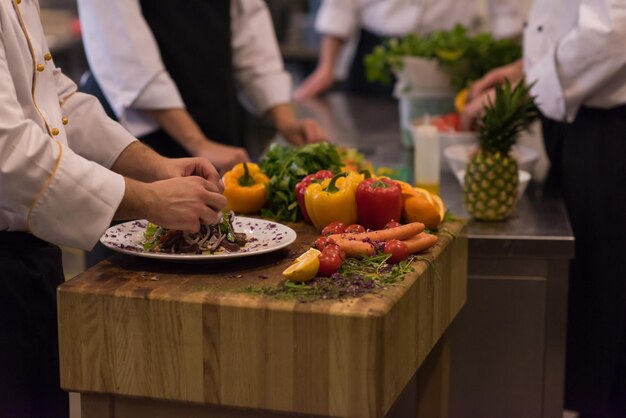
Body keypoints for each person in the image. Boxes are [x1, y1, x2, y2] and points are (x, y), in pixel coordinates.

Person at [0, 1, 228, 416]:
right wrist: (149, 200)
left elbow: (56, 99)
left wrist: (157, 167)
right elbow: (9, 153)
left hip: (29, 262)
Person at [461, 1, 626, 416]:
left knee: (609, 288)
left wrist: (527, 84)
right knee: (596, 286)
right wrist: (523, 67)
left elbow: (613, 32)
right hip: (587, 120)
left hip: (611, 129)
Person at [77, 0, 328, 174]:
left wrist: (284, 119)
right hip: (134, 133)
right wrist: (198, 143)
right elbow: (126, 57)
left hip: (212, 115)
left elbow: (249, 28)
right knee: (140, 242)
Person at [294, 0, 526, 100]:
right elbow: (340, 5)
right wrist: (326, 68)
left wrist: (510, 70)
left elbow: (509, 13)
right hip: (377, 56)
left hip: (448, 58)